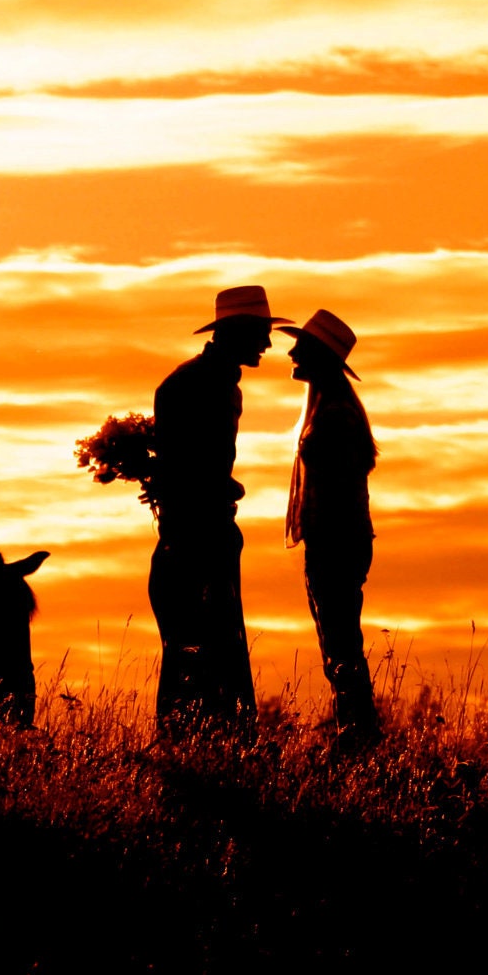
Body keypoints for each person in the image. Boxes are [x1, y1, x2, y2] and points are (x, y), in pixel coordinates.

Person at [148, 285, 291, 737]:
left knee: (206, 649)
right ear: (237, 332)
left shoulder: (203, 381)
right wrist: (222, 486)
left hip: (200, 529)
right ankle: (211, 742)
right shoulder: (200, 384)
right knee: (209, 647)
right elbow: (190, 466)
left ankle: (208, 742)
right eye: (261, 334)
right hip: (199, 534)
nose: (268, 345)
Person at [278, 309, 381, 746]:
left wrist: (325, 538)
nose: (291, 352)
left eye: (301, 347)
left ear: (318, 355)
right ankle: (354, 731)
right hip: (340, 540)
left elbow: (338, 486)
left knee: (339, 643)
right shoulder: (333, 408)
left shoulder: (334, 415)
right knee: (339, 640)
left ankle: (357, 734)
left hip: (335, 542)